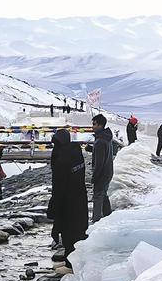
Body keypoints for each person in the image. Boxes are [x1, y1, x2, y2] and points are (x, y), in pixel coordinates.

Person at [46, 129, 88, 267]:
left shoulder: (61, 158)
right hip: (80, 197)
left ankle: (70, 263)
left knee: (67, 231)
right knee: (78, 229)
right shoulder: (76, 152)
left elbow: (59, 185)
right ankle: (74, 259)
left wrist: (53, 207)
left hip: (67, 200)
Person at [88, 114, 114, 223]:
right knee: (103, 194)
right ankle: (109, 216)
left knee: (97, 197)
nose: (92, 126)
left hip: (102, 173)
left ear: (100, 125)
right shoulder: (106, 137)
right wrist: (92, 149)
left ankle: (96, 222)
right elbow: (104, 154)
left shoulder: (99, 141)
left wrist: (95, 177)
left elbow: (99, 163)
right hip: (108, 171)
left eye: (94, 124)